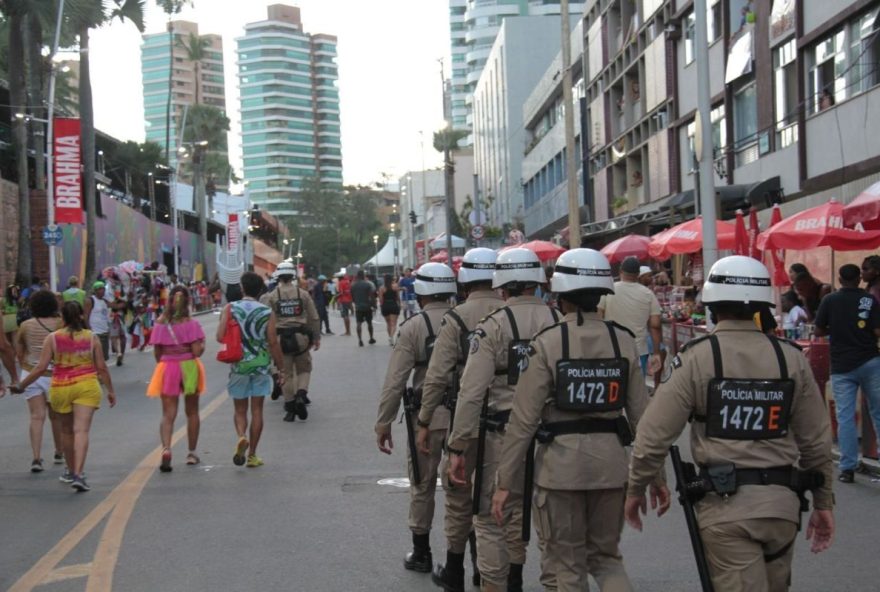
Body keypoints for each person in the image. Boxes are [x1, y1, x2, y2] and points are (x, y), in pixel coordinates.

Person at [625, 256, 834, 591]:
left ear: (712, 305)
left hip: (726, 510)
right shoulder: (791, 358)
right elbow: (817, 442)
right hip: (782, 509)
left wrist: (636, 488)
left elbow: (652, 437)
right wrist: (824, 502)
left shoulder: (698, 357)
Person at [492, 249, 665, 591]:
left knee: (568, 565)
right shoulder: (624, 341)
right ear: (602, 292)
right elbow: (643, 416)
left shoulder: (548, 343)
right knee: (606, 559)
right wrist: (654, 475)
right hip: (612, 468)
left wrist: (504, 483)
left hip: (560, 471)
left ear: (558, 294)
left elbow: (523, 421)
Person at [447, 248, 561, 592]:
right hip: (553, 439)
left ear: (503, 286)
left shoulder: (493, 327)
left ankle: (500, 583)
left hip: (501, 435)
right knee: (550, 524)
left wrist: (458, 445)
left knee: (491, 517)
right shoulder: (559, 322)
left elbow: (471, 392)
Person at [415, 247, 504, 590]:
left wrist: (424, 422)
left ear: (464, 278)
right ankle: (496, 573)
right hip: (515, 427)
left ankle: (455, 571)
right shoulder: (510, 314)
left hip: (466, 423)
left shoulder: (456, 318)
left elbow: (436, 377)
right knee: (503, 504)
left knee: (459, 497)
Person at [375, 263, 456, 574]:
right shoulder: (466, 321)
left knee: (422, 484)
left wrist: (383, 422)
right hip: (467, 416)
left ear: (419, 291)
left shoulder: (413, 327)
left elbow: (395, 381)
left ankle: (421, 552)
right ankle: (469, 559)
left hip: (427, 418)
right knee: (463, 489)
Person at [12, 302, 117, 492]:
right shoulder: (91, 337)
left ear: (63, 317)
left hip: (61, 387)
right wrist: (110, 390)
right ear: (81, 316)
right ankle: (79, 473)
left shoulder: (52, 338)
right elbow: (101, 367)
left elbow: (41, 368)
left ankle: (70, 470)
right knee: (81, 431)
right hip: (86, 386)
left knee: (67, 432)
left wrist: (21, 385)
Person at [814, 263, 880, 483]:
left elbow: (818, 330)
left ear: (840, 280)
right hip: (871, 361)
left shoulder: (829, 300)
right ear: (859, 279)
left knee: (845, 417)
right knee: (878, 413)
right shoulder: (869, 300)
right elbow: (877, 331)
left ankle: (847, 468)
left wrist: (837, 329)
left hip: (842, 366)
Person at [217, 272, 285, 468]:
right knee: (257, 410)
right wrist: (281, 369)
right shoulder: (266, 311)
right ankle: (253, 455)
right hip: (261, 366)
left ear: (242, 288)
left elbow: (220, 337)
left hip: (239, 365)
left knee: (240, 410)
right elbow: (273, 342)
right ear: (260, 290)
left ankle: (241, 436)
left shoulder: (230, 308)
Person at [146, 286, 206, 472]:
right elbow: (196, 352)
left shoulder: (160, 324)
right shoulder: (192, 324)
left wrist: (167, 363)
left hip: (168, 367)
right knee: (192, 412)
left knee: (168, 414)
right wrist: (201, 346)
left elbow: (157, 353)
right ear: (187, 302)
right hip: (189, 367)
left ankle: (166, 449)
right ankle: (191, 453)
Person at [261, 261, 320, 422]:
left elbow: (266, 321)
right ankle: (301, 394)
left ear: (278, 277)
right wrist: (316, 337)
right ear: (293, 276)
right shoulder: (303, 294)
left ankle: (290, 406)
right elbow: (313, 317)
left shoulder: (271, 297)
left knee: (285, 373)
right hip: (301, 338)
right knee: (304, 369)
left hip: (280, 340)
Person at [13, 290, 64, 472]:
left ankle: (36, 457)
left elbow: (19, 352)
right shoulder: (60, 323)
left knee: (36, 416)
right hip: (54, 375)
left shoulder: (25, 326)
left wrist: (25, 366)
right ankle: (59, 451)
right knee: (55, 416)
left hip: (30, 374)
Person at [598, 256, 662, 376]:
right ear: (638, 274)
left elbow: (598, 317)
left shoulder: (608, 290)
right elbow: (655, 326)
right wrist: (656, 352)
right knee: (636, 389)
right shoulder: (648, 294)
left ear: (620, 271)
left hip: (612, 349)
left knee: (613, 387)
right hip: (638, 351)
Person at [83, 281, 111, 362]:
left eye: (103, 289)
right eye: (99, 289)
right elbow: (85, 316)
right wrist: (89, 330)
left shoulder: (105, 301)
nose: (102, 291)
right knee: (96, 358)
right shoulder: (90, 300)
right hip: (95, 333)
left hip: (104, 332)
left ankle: (99, 373)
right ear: (95, 290)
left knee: (104, 358)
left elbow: (115, 305)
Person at [351, 269, 377, 346]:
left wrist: (356, 303)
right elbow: (371, 296)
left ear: (357, 276)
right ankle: (371, 338)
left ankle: (360, 340)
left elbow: (353, 297)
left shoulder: (353, 285)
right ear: (363, 276)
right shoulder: (368, 284)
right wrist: (374, 305)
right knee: (369, 323)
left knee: (358, 323)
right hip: (367, 306)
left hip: (358, 307)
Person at [379, 273, 402, 345]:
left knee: (388, 324)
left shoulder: (382, 288)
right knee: (394, 324)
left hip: (385, 305)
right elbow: (398, 297)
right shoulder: (395, 286)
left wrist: (382, 306)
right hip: (393, 304)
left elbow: (380, 299)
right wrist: (400, 304)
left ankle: (390, 337)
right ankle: (391, 337)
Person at [108, 289, 129, 366]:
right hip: (121, 318)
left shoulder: (110, 299)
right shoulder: (123, 301)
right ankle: (121, 355)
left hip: (114, 319)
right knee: (122, 337)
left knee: (114, 338)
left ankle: (118, 353)